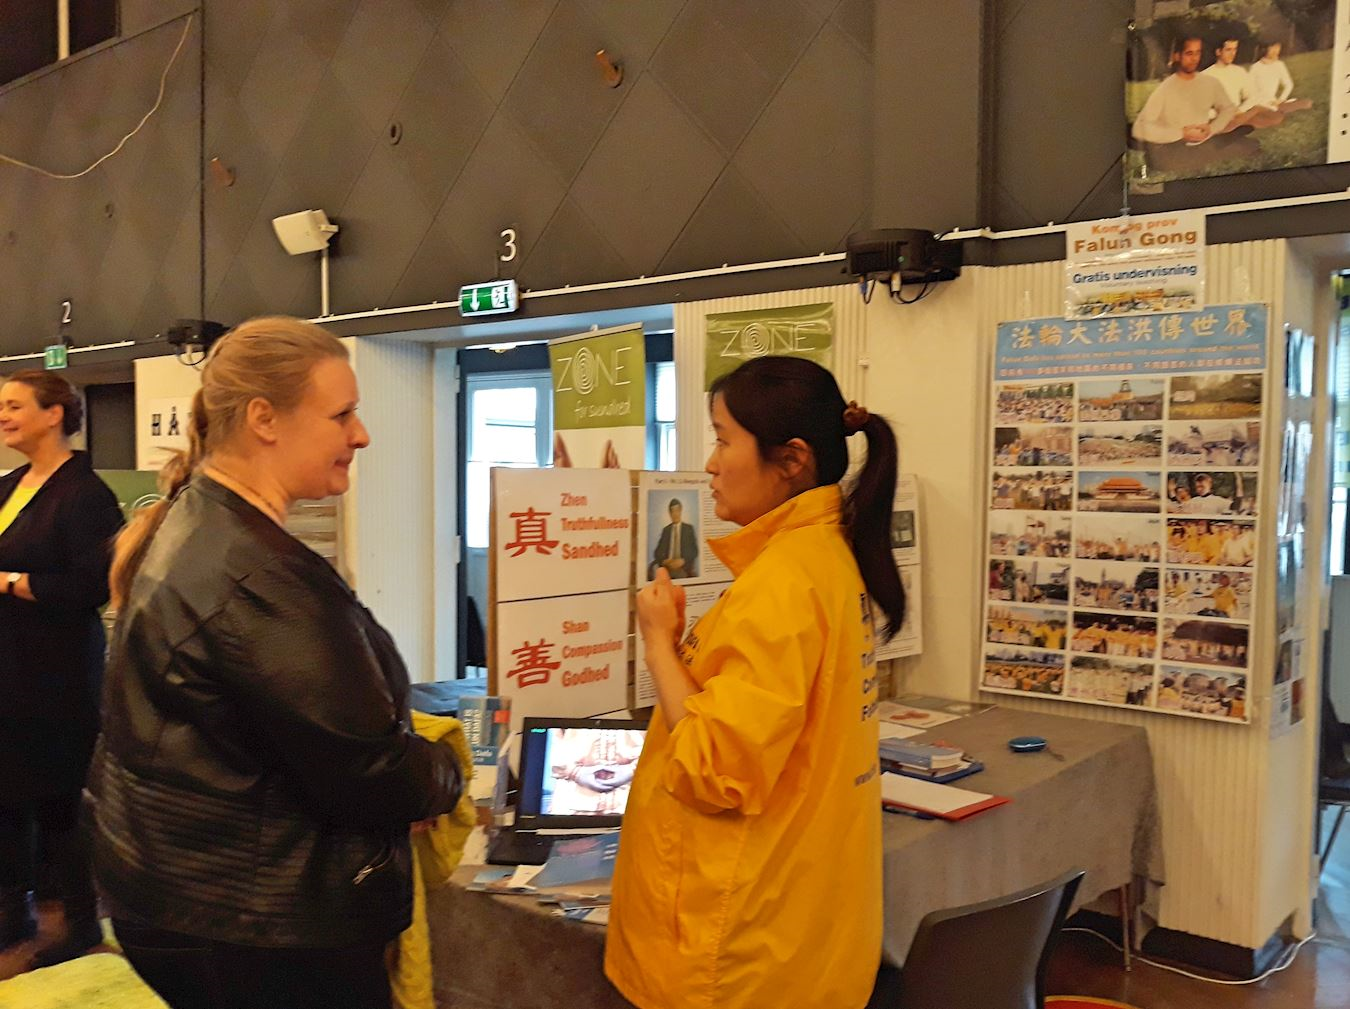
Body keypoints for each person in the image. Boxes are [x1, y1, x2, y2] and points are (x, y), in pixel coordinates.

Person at [88, 318, 463, 1009]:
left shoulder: (200, 525)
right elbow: (370, 773)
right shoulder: (257, 578)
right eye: (341, 414)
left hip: (181, 893)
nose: (361, 435)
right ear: (264, 418)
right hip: (255, 924)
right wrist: (445, 771)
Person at [606, 357, 905, 1009]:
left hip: (738, 945)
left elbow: (715, 769)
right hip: (797, 927)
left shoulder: (781, 584)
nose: (710, 464)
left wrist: (657, 643)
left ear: (791, 458)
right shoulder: (824, 559)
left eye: (722, 440)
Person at [0, 371, 124, 967]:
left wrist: (11, 583)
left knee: (59, 801)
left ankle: (77, 923)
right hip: (7, 667)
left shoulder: (86, 494)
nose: (3, 416)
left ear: (55, 414)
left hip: (56, 674)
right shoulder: (8, 485)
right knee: (4, 796)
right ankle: (11, 916)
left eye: (14, 405)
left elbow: (92, 586)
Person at [1132, 35, 1258, 174]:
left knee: (1250, 146)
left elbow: (1228, 108)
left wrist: (1211, 128)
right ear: (1177, 56)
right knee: (1170, 162)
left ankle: (1229, 139)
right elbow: (1139, 128)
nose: (1194, 59)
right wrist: (1181, 133)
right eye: (1189, 53)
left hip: (1203, 139)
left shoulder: (1210, 82)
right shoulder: (1165, 88)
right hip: (1176, 144)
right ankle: (1229, 139)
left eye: (1198, 53)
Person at [1248, 41, 1313, 117]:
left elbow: (1288, 84)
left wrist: (1281, 100)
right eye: (1272, 47)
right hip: (1259, 102)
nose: (1276, 50)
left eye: (1278, 47)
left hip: (1274, 101)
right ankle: (1274, 110)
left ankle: (1280, 108)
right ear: (1264, 49)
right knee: (1267, 110)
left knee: (1306, 103)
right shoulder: (1255, 67)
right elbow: (1250, 90)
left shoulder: (1279, 65)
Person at [649, 497, 699, 580]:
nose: (675, 514)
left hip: (683, 567)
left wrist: (683, 561)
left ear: (680, 511)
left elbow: (695, 551)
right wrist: (664, 561)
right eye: (672, 511)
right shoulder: (666, 530)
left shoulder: (688, 529)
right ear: (670, 513)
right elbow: (657, 552)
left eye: (677, 510)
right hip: (667, 567)